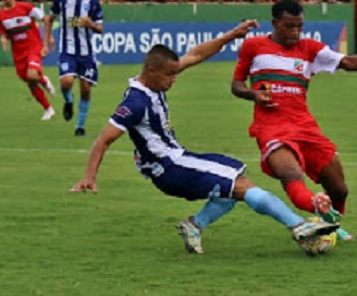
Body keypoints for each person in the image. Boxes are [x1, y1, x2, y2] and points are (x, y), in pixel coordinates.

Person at [70, 20, 339, 254]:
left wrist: (232, 35)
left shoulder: (155, 80)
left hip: (176, 160)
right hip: (170, 167)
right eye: (170, 74)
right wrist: (89, 177)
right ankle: (300, 227)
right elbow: (104, 139)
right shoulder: (136, 102)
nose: (174, 79)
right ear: (151, 72)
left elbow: (196, 55)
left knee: (233, 184)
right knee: (242, 186)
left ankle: (195, 225)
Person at [231, 0, 357, 240]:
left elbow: (347, 62)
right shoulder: (253, 47)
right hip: (271, 127)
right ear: (275, 23)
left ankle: (329, 224)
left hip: (305, 126)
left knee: (339, 189)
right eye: (289, 26)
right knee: (291, 175)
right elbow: (236, 85)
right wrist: (253, 94)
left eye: (299, 26)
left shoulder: (310, 49)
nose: (295, 32)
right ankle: (319, 210)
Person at [43, 0, 104, 136]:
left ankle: (79, 127)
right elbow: (49, 19)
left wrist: (90, 24)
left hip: (86, 53)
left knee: (85, 89)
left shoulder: (92, 1)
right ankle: (68, 101)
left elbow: (100, 29)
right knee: (67, 82)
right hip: (67, 50)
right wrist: (46, 42)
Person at [0, 0, 57, 120]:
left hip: (33, 46)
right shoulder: (0, 16)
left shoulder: (26, 7)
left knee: (32, 75)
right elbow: (4, 33)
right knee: (31, 82)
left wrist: (49, 38)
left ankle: (43, 80)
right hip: (18, 52)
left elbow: (46, 19)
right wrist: (3, 39)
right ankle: (48, 109)